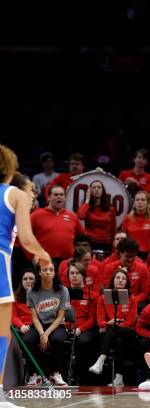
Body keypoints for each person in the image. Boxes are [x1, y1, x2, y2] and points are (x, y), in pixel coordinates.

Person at [1, 146, 52, 406]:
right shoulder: (13, 195)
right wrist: (43, 256)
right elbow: (28, 239)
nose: (34, 196)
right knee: (2, 333)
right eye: (32, 190)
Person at [88, 268, 138, 387]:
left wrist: (112, 325)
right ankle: (119, 378)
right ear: (113, 280)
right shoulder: (103, 298)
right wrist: (108, 323)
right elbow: (100, 321)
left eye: (123, 278)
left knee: (115, 330)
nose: (120, 280)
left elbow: (130, 322)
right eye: (117, 278)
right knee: (118, 340)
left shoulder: (132, 299)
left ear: (127, 282)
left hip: (127, 332)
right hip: (111, 332)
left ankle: (101, 360)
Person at [24, 264, 69, 386]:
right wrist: (42, 333)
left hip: (56, 325)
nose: (48, 272)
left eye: (51, 270)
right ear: (39, 272)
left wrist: (46, 334)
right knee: (28, 339)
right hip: (39, 325)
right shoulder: (31, 292)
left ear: (54, 273)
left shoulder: (62, 290)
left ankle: (56, 374)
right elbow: (34, 317)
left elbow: (60, 317)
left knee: (58, 339)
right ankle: (34, 375)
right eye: (45, 269)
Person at [31, 185, 85, 264]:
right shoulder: (36, 215)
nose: (59, 197)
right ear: (49, 197)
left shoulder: (72, 216)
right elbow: (25, 236)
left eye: (61, 195)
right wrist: (32, 257)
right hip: (45, 262)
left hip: (68, 261)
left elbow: (82, 238)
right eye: (56, 195)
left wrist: (78, 257)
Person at [122, 190, 150, 262]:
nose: (140, 202)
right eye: (137, 200)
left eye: (143, 200)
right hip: (130, 256)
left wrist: (149, 259)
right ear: (134, 203)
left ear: (148, 203)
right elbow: (123, 240)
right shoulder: (127, 218)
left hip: (148, 256)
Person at [77, 180, 117, 252]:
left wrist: (113, 248)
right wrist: (87, 200)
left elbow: (113, 229)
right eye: (94, 187)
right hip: (90, 243)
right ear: (90, 191)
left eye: (99, 187)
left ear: (102, 191)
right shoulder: (87, 207)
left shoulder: (111, 209)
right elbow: (80, 216)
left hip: (106, 244)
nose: (96, 189)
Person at [12, 269, 36, 336]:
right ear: (21, 282)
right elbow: (13, 316)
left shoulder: (43, 294)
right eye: (25, 279)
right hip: (23, 328)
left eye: (31, 279)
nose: (28, 281)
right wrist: (21, 326)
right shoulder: (15, 296)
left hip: (39, 327)